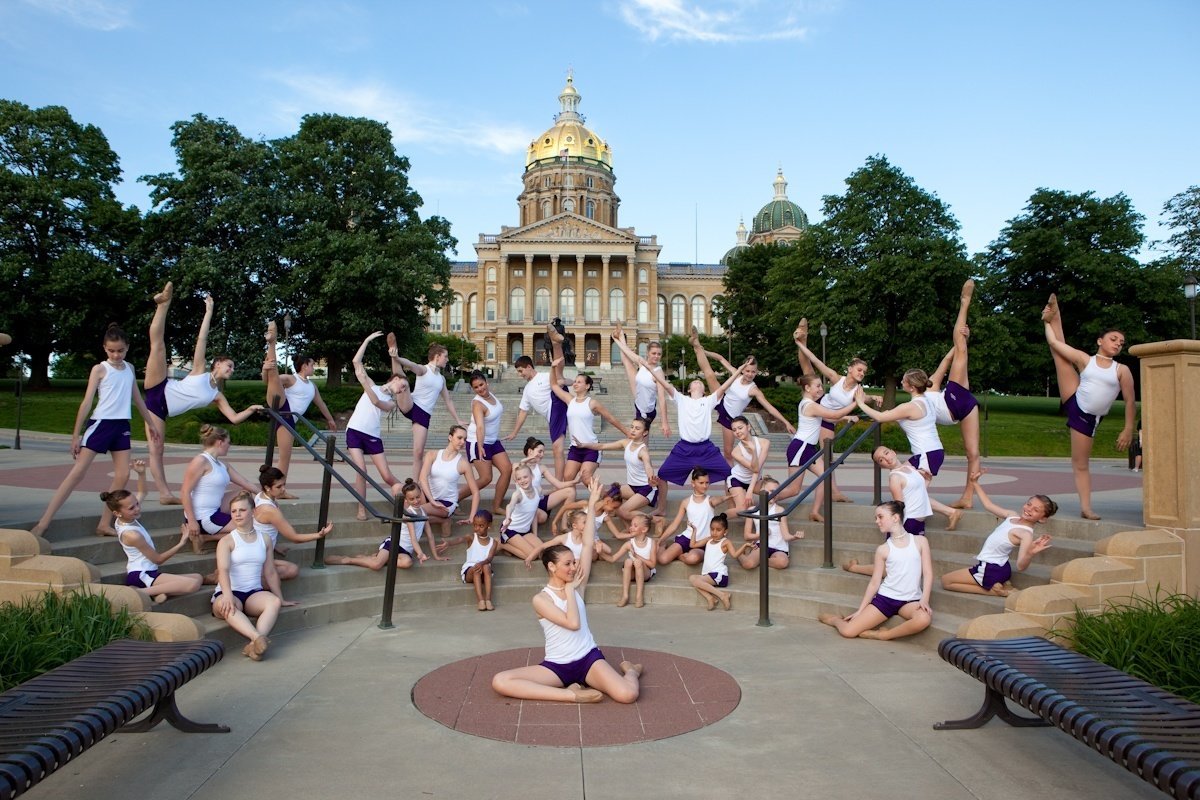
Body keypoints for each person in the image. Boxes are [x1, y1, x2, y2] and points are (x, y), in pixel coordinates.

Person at [491, 479, 643, 704]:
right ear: (552, 567)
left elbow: (589, 544)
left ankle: (630, 671)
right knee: (500, 681)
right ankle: (571, 694)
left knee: (628, 695)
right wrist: (571, 590)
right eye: (568, 564)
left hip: (588, 659)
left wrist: (592, 504)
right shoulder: (541, 599)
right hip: (557, 666)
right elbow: (572, 623)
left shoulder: (577, 583)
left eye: (574, 562)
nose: (574, 567)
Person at [31, 324, 160, 537]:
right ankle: (43, 523)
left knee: (123, 474)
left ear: (127, 347)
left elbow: (137, 399)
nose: (116, 354)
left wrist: (152, 424)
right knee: (77, 474)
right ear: (104, 348)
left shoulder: (129, 368)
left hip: (121, 425)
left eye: (120, 350)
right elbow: (87, 402)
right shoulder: (99, 369)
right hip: (101, 423)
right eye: (111, 351)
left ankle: (104, 523)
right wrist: (76, 435)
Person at [141, 285, 262, 504]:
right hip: (160, 387)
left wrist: (251, 409)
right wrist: (208, 312)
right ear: (217, 364)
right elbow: (202, 340)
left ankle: (164, 494)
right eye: (229, 365)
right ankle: (163, 305)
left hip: (160, 409)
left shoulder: (217, 395)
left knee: (157, 449)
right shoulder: (199, 371)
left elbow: (233, 419)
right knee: (158, 347)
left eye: (233, 368)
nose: (231, 370)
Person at [1042, 294, 1136, 519]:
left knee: (1081, 463)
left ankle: (1086, 507)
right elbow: (1054, 344)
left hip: (1087, 417)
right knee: (1060, 355)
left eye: (1121, 342)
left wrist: (1128, 428)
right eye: (1113, 339)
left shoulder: (1121, 370)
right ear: (1100, 341)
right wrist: (1046, 323)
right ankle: (1054, 314)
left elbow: (1130, 401)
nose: (1117, 344)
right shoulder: (1086, 359)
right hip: (1075, 399)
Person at [853, 378, 965, 526]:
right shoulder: (924, 400)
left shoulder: (910, 406)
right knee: (902, 478)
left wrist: (860, 403)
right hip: (926, 452)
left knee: (916, 494)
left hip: (927, 453)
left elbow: (881, 417)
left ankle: (950, 513)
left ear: (911, 387)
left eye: (904, 380)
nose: (901, 381)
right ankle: (948, 513)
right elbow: (890, 414)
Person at [819, 500, 934, 640]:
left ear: (895, 518)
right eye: (876, 518)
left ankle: (884, 635)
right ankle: (835, 620)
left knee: (923, 619)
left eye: (880, 517)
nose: (877, 521)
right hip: (885, 599)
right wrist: (860, 610)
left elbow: (927, 573)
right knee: (848, 632)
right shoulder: (883, 550)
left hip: (911, 601)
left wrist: (925, 599)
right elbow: (875, 582)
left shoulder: (920, 541)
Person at [793, 319, 879, 504]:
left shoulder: (858, 391)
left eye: (864, 372)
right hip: (821, 409)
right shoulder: (836, 378)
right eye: (859, 369)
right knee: (807, 368)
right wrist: (800, 344)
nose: (862, 373)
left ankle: (833, 492)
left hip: (830, 420)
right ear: (850, 369)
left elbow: (866, 398)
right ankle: (803, 339)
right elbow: (816, 361)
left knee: (828, 459)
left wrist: (875, 398)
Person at [637, 355, 747, 489]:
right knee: (662, 474)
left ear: (703, 390)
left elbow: (724, 387)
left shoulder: (708, 401)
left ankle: (731, 505)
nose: (697, 381)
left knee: (729, 474)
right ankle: (661, 509)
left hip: (706, 448)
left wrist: (738, 370)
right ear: (689, 390)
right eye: (694, 382)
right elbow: (665, 384)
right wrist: (649, 368)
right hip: (684, 448)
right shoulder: (682, 399)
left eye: (699, 382)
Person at [105, 460, 202, 603]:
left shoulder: (125, 518)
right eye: (132, 508)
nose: (137, 508)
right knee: (192, 584)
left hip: (149, 573)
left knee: (198, 577)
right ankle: (139, 592)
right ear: (117, 513)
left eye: (137, 504)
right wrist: (181, 542)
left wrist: (141, 474)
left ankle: (158, 593)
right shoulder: (132, 535)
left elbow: (143, 492)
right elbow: (158, 559)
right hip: (141, 575)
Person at [690, 329, 794, 461]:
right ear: (743, 369)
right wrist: (704, 352)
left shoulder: (753, 390)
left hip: (730, 417)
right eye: (748, 371)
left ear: (757, 372)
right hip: (721, 400)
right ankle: (697, 346)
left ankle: (731, 479)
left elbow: (769, 408)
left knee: (728, 453)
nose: (750, 374)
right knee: (709, 374)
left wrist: (786, 423)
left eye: (753, 372)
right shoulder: (736, 374)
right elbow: (721, 358)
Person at [941, 480, 1056, 597]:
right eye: (1029, 504)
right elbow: (989, 505)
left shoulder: (1025, 534)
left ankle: (995, 591)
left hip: (991, 570)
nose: (1029, 509)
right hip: (1001, 568)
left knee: (946, 581)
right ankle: (1000, 582)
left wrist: (1030, 553)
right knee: (957, 577)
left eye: (1036, 510)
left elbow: (1021, 566)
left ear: (1042, 519)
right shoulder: (1012, 515)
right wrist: (975, 483)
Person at [925, 280, 983, 509]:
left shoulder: (930, 386)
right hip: (954, 414)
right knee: (960, 348)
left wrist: (963, 339)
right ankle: (963, 318)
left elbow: (948, 360)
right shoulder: (915, 402)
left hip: (958, 399)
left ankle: (965, 303)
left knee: (973, 453)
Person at [211, 493, 288, 661]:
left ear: (253, 511)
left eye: (242, 510)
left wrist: (280, 597)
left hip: (253, 593)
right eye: (234, 511)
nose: (237, 514)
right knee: (230, 606)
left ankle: (254, 646)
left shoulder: (264, 539)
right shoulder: (226, 541)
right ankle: (257, 638)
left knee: (273, 602)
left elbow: (270, 572)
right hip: (228, 592)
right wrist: (228, 596)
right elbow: (222, 570)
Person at [843, 446, 942, 577]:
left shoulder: (911, 469)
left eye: (886, 453)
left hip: (918, 523)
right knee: (890, 569)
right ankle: (854, 568)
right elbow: (899, 506)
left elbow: (918, 493)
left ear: (893, 452)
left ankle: (855, 567)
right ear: (881, 466)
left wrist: (928, 480)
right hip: (908, 524)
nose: (887, 459)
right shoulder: (895, 477)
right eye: (881, 460)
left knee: (909, 564)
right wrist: (899, 532)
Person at [262, 321, 337, 492]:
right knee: (273, 374)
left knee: (285, 457)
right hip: (282, 406)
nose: (313, 367)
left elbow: (321, 403)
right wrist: (264, 370)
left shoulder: (312, 386)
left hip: (289, 419)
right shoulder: (291, 378)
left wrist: (330, 420)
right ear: (304, 366)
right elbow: (267, 381)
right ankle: (272, 341)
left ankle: (279, 489)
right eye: (312, 364)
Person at [780, 374, 859, 522]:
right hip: (800, 447)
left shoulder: (812, 404)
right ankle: (766, 500)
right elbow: (834, 413)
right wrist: (857, 402)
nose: (821, 389)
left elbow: (829, 417)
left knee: (825, 475)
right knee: (793, 490)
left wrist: (845, 418)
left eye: (821, 386)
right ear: (807, 388)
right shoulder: (809, 405)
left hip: (808, 448)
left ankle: (814, 512)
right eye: (817, 386)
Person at [346, 332, 408, 521]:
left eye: (404, 389)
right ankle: (362, 508)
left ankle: (409, 500)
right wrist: (366, 340)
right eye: (403, 386)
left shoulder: (390, 403)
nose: (402, 390)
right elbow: (357, 363)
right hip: (355, 431)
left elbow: (375, 402)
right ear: (395, 379)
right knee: (361, 470)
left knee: (387, 476)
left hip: (372, 436)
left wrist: (364, 383)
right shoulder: (373, 385)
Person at [389, 337, 463, 476]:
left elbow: (448, 401)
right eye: (445, 356)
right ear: (437, 356)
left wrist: (458, 419)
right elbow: (411, 364)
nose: (447, 359)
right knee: (402, 381)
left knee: (418, 453)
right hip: (411, 404)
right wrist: (397, 358)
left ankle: (415, 484)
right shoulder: (424, 370)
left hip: (423, 415)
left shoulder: (441, 379)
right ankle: (393, 354)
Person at [325, 479, 439, 570]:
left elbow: (430, 536)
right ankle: (348, 560)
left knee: (407, 563)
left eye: (418, 497)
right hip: (394, 544)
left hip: (405, 550)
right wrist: (420, 553)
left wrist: (436, 556)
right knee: (376, 565)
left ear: (421, 494)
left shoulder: (423, 513)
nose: (416, 501)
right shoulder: (409, 514)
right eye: (412, 499)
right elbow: (413, 539)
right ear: (406, 500)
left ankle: (375, 558)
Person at [506, 327, 572, 480]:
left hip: (558, 404)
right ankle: (559, 481)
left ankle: (556, 343)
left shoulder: (543, 376)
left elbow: (562, 381)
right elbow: (523, 412)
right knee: (557, 448)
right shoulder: (527, 390)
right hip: (554, 415)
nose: (520, 375)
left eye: (521, 371)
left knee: (557, 375)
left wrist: (573, 382)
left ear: (529, 367)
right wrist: (515, 432)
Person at [252, 466, 333, 588]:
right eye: (279, 487)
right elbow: (294, 538)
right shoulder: (270, 510)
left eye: (284, 484)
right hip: (256, 556)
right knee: (292, 570)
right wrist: (319, 534)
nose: (283, 489)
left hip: (260, 552)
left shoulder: (260, 496)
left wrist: (274, 546)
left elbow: (261, 527)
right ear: (267, 488)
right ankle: (243, 581)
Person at [181, 424, 258, 552]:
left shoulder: (222, 465)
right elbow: (185, 492)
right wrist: (192, 521)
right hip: (203, 517)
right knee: (249, 528)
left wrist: (267, 498)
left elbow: (245, 482)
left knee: (245, 493)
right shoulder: (200, 461)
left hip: (215, 508)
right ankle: (204, 537)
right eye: (228, 442)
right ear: (220, 442)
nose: (230, 445)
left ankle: (204, 538)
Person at [549, 370, 630, 486]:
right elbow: (553, 385)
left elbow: (611, 418)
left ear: (587, 386)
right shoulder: (569, 400)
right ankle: (569, 502)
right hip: (575, 448)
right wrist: (553, 367)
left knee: (586, 477)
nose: (575, 384)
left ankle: (607, 498)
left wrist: (627, 432)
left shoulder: (592, 403)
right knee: (567, 477)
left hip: (591, 448)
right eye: (575, 382)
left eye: (579, 382)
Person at [570, 418, 661, 521]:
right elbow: (602, 445)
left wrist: (651, 478)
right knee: (609, 497)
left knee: (623, 511)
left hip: (646, 488)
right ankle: (620, 520)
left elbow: (648, 465)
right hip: (632, 487)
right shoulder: (626, 443)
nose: (633, 430)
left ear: (645, 433)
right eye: (632, 427)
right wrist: (583, 445)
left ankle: (657, 520)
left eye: (637, 428)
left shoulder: (643, 451)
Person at [418, 425, 481, 539]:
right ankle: (442, 521)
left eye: (465, 439)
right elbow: (422, 478)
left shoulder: (463, 463)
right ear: (450, 437)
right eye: (459, 438)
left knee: (414, 511)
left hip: (446, 503)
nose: (462, 442)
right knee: (397, 490)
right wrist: (432, 501)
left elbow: (475, 492)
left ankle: (443, 519)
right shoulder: (432, 455)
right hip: (429, 497)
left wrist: (472, 516)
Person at [658, 468, 732, 566]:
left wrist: (726, 497)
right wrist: (660, 540)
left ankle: (680, 555)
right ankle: (664, 546)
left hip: (702, 542)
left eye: (707, 483)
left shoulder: (710, 500)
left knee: (692, 559)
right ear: (693, 483)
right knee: (663, 559)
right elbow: (675, 524)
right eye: (701, 483)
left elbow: (719, 499)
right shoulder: (686, 502)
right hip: (687, 538)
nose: (705, 486)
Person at [462, 370, 512, 514]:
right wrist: (480, 445)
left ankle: (496, 507)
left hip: (493, 441)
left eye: (481, 385)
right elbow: (480, 426)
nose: (480, 389)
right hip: (477, 441)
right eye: (476, 387)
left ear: (486, 382)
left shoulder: (491, 396)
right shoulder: (478, 403)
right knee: (485, 478)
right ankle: (453, 500)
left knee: (507, 469)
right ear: (473, 389)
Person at [611, 322, 671, 437]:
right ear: (648, 353)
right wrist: (617, 339)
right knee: (625, 358)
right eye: (654, 353)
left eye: (659, 354)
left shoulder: (658, 372)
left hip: (647, 411)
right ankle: (621, 334)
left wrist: (665, 422)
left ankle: (643, 454)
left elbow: (662, 399)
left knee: (641, 438)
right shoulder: (641, 362)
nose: (656, 356)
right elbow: (626, 351)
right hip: (638, 403)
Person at [689, 514, 752, 611]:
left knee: (697, 581)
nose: (714, 532)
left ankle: (722, 595)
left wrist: (745, 546)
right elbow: (692, 545)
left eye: (718, 530)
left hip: (720, 575)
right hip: (709, 575)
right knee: (692, 578)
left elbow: (735, 555)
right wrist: (694, 530)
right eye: (712, 529)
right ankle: (710, 598)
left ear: (725, 531)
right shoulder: (709, 539)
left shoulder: (725, 542)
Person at [737, 476, 801, 571]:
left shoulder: (780, 510)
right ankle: (739, 555)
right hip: (761, 545)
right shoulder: (752, 511)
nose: (774, 494)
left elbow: (786, 535)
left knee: (783, 562)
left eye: (776, 492)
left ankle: (759, 560)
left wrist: (794, 536)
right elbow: (747, 536)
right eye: (771, 491)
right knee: (748, 564)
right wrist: (761, 535)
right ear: (762, 491)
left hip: (778, 547)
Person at [441, 511, 499, 611]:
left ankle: (488, 600)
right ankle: (481, 600)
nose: (477, 528)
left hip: (485, 570)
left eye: (481, 526)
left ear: (489, 525)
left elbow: (490, 558)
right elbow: (460, 539)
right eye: (475, 525)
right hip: (470, 571)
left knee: (486, 566)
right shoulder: (472, 537)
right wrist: (449, 543)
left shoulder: (493, 542)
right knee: (476, 568)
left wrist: (482, 563)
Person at [517, 438, 578, 526]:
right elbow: (520, 471)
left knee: (571, 491)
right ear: (530, 451)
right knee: (543, 517)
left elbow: (559, 484)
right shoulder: (518, 466)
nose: (542, 455)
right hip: (526, 502)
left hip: (540, 500)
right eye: (540, 451)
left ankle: (564, 525)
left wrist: (575, 481)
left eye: (543, 452)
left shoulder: (542, 467)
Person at [602, 512, 658, 608]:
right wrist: (600, 552)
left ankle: (639, 596)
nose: (631, 527)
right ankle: (625, 596)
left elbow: (652, 565)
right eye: (631, 525)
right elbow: (612, 559)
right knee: (628, 561)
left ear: (644, 529)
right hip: (632, 574)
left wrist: (636, 556)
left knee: (637, 561)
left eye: (635, 526)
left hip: (645, 573)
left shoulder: (651, 543)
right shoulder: (629, 544)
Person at [727, 415, 770, 526]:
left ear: (749, 427)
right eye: (734, 430)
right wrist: (753, 451)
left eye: (740, 428)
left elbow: (757, 469)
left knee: (774, 493)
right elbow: (754, 469)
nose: (737, 432)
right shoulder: (735, 452)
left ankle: (770, 520)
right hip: (737, 479)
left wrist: (749, 491)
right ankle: (715, 519)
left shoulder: (764, 443)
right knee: (742, 509)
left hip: (754, 480)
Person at [496, 465, 543, 560]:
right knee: (532, 556)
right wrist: (508, 517)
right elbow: (510, 506)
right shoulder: (518, 494)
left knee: (541, 552)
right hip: (510, 530)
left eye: (525, 477)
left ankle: (510, 547)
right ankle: (502, 545)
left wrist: (535, 535)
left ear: (532, 476)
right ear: (516, 481)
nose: (522, 480)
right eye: (519, 479)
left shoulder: (538, 491)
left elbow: (533, 515)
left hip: (525, 531)